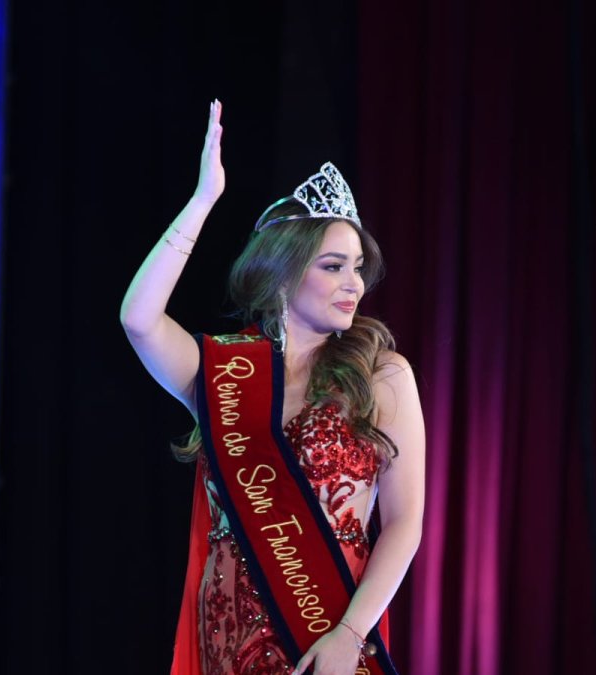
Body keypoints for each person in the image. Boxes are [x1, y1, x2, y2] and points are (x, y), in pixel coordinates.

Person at [120, 99, 425, 675]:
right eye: (333, 266)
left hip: (326, 634)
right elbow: (139, 318)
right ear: (284, 272)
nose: (353, 283)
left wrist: (350, 635)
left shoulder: (382, 375)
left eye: (359, 267)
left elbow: (405, 521)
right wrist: (203, 200)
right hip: (225, 636)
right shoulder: (225, 372)